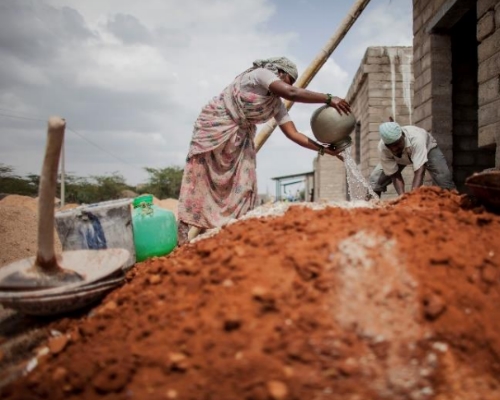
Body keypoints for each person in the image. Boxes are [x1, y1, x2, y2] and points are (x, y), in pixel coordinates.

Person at [177, 56, 351, 245]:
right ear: (280, 73)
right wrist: (328, 98)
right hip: (215, 126)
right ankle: (183, 231)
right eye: (288, 80)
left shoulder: (275, 105)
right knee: (200, 176)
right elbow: (291, 93)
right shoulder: (260, 74)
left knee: (244, 184)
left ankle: (234, 233)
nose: (287, 85)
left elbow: (294, 134)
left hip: (240, 138)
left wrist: (324, 149)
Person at [369, 121, 456, 197]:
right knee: (375, 180)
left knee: (444, 179)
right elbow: (395, 176)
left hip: (427, 149)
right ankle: (370, 209)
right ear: (387, 145)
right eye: (392, 146)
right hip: (399, 158)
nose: (395, 148)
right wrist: (402, 198)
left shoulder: (417, 138)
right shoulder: (383, 148)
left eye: (397, 143)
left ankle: (457, 206)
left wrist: (412, 198)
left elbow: (419, 171)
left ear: (403, 135)